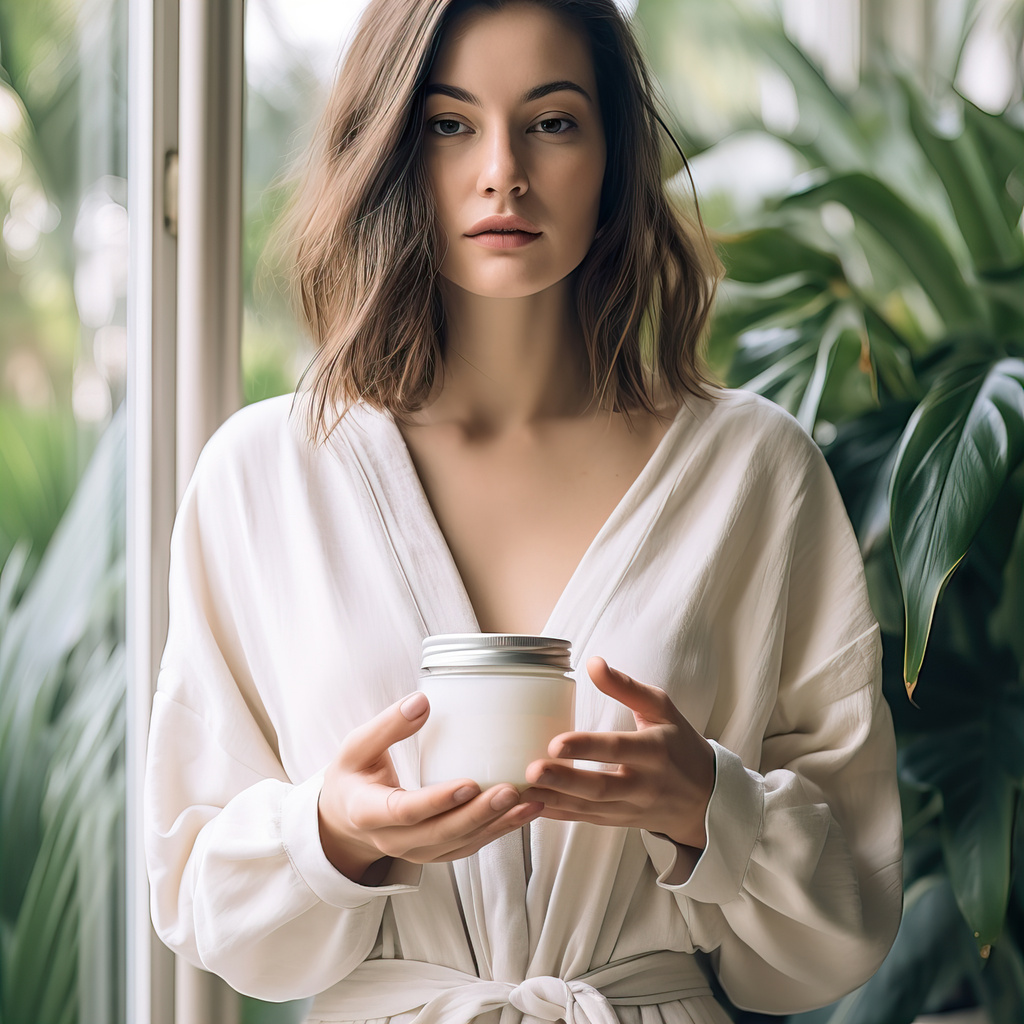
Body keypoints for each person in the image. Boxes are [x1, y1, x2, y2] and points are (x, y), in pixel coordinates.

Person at [144, 1, 903, 1021]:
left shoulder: (753, 472)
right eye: (449, 124)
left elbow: (850, 905)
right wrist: (334, 832)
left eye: (551, 122)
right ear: (390, 153)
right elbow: (194, 889)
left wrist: (708, 808)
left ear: (613, 155)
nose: (502, 168)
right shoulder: (264, 475)